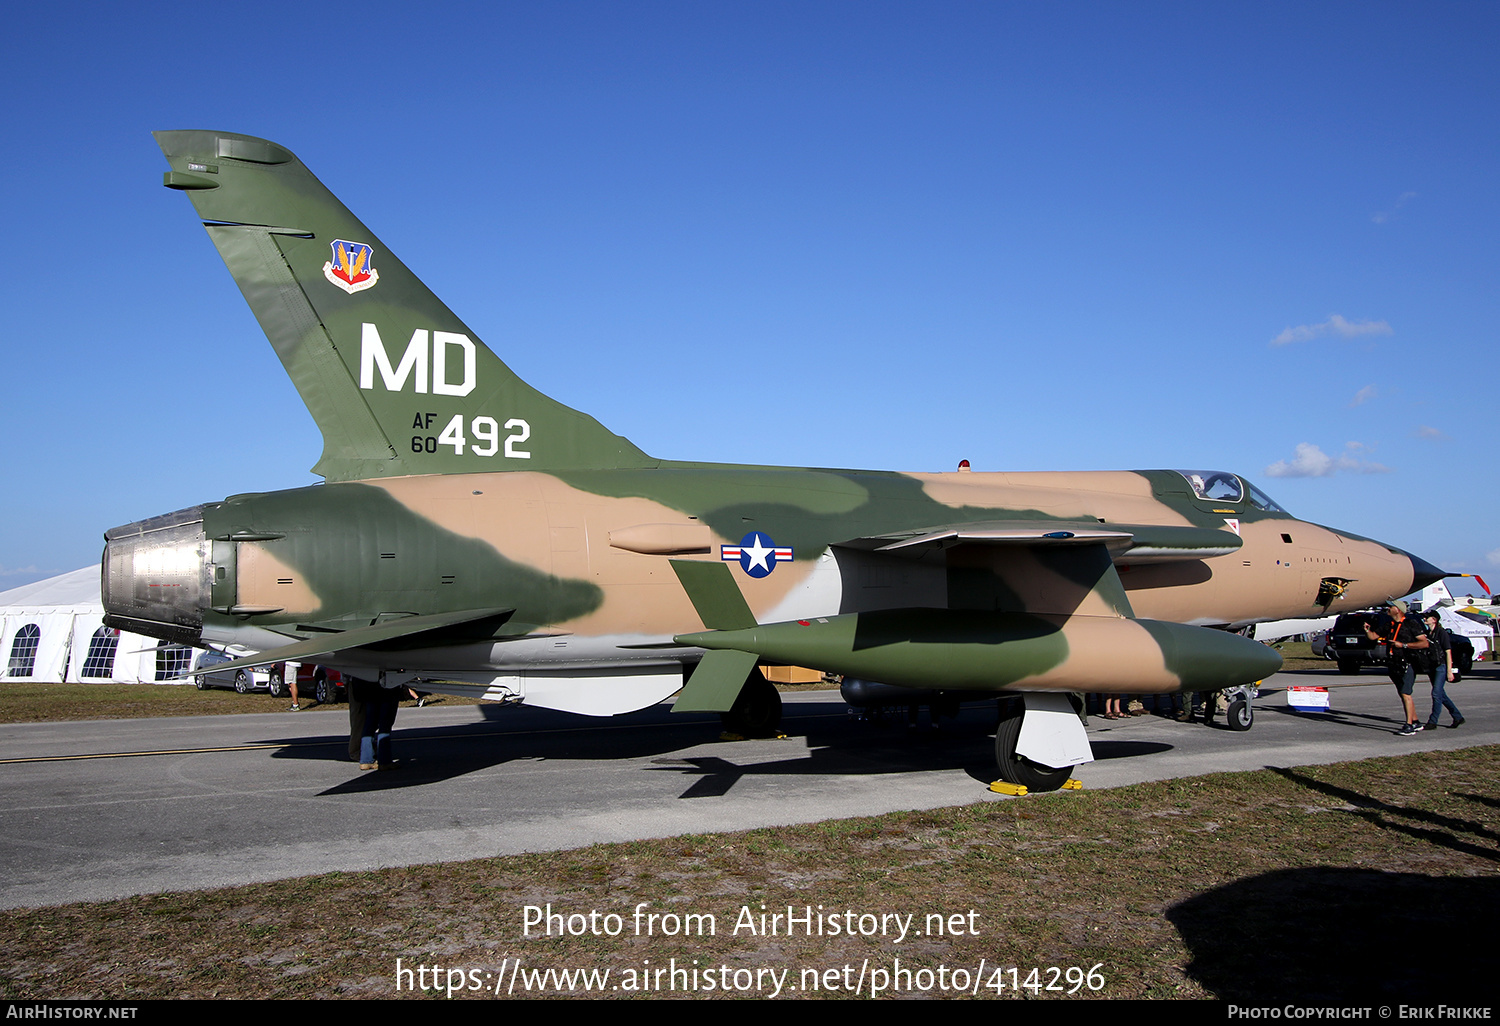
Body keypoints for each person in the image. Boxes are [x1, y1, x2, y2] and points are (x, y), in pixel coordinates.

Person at [1365, 599, 1429, 736]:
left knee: (1406, 693)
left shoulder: (1411, 624)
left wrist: (1404, 645)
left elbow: (1424, 643)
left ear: (1398, 610)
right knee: (1403, 693)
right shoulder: (1389, 625)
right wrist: (1367, 630)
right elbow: (1373, 636)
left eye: (1390, 607)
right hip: (1393, 663)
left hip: (1408, 662)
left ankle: (1409, 725)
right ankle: (1416, 721)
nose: (1388, 609)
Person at [1420, 610, 1465, 730]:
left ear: (1434, 619)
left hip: (1441, 666)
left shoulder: (1441, 633)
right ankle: (1457, 717)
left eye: (1427, 617)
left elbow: (1448, 651)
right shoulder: (1427, 633)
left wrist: (1449, 670)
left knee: (1436, 694)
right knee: (1441, 695)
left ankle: (1433, 721)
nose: (1424, 619)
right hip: (1431, 666)